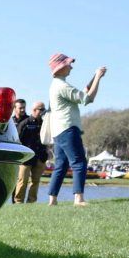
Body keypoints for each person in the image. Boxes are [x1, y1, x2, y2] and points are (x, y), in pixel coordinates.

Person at [47, 53, 106, 207]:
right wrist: (98, 77)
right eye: (68, 64)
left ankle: (52, 200)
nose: (71, 67)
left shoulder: (56, 85)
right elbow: (88, 98)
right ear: (60, 67)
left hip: (58, 131)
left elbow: (83, 92)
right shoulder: (62, 86)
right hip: (68, 128)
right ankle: (78, 199)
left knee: (60, 165)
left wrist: (94, 77)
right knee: (79, 162)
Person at [13, 101, 48, 203]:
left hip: (40, 157)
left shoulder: (44, 123)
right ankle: (18, 202)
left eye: (44, 109)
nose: (43, 112)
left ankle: (31, 201)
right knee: (22, 181)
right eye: (41, 109)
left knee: (35, 181)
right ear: (34, 110)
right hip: (26, 158)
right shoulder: (25, 123)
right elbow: (17, 140)